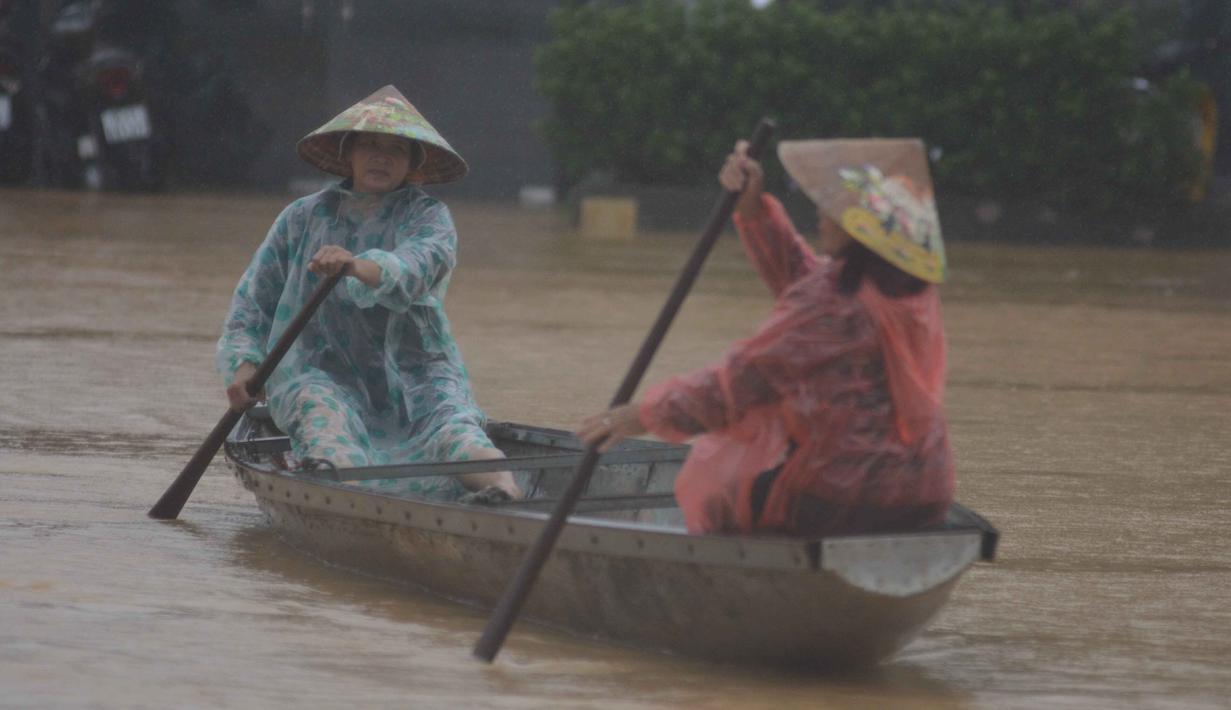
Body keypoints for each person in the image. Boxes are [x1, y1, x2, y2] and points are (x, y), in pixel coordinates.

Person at [577, 138, 953, 536]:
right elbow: (803, 278)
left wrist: (643, 415)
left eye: (835, 211)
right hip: (927, 486)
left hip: (844, 495)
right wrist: (752, 209)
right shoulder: (910, 290)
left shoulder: (832, 302)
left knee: (721, 493)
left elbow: (736, 387)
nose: (822, 216)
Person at [217, 85, 520, 502]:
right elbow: (255, 302)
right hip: (319, 372)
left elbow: (420, 265)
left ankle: (504, 492)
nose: (381, 156)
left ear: (412, 162)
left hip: (415, 371)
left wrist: (356, 265)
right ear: (349, 153)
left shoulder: (427, 216)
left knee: (455, 430)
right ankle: (353, 500)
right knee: (324, 422)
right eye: (370, 145)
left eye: (396, 149)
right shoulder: (303, 217)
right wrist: (243, 367)